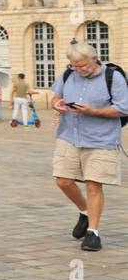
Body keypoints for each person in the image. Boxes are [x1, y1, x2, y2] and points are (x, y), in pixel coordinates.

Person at [51, 41, 128, 253]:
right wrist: (57, 104)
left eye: (82, 65)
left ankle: (93, 232)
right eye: (74, 66)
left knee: (93, 184)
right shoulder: (68, 74)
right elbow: (56, 97)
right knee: (63, 181)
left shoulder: (114, 77)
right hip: (69, 136)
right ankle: (84, 211)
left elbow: (123, 109)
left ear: (94, 59)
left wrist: (93, 111)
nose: (78, 70)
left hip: (100, 139)